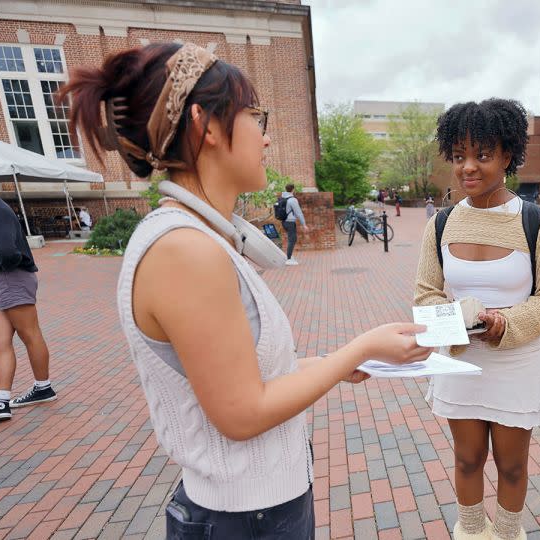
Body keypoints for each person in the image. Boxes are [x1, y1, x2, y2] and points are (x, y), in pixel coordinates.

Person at [60, 42, 432, 538]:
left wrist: (342, 363)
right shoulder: (184, 250)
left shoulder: (197, 236)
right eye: (256, 116)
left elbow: (249, 377)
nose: (267, 138)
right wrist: (360, 348)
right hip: (247, 518)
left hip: (254, 509)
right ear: (206, 124)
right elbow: (242, 413)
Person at [415, 98, 540, 540]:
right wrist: (455, 320)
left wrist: (507, 324)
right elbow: (425, 296)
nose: (468, 167)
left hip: (517, 364)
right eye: (459, 155)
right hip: (461, 362)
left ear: (508, 156)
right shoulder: (440, 224)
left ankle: (506, 534)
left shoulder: (538, 223)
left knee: (513, 465)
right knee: (466, 460)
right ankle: (471, 531)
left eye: (482, 155)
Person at [0, 159, 56, 422]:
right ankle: (0, 401)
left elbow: (8, 252)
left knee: (30, 334)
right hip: (0, 280)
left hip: (11, 278)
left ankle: (42, 388)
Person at [280, 183, 309, 266]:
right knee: (292, 239)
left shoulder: (282, 198)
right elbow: (298, 213)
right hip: (290, 222)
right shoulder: (292, 200)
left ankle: (289, 256)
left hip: (284, 222)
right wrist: (304, 224)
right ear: (293, 189)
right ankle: (288, 259)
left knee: (292, 239)